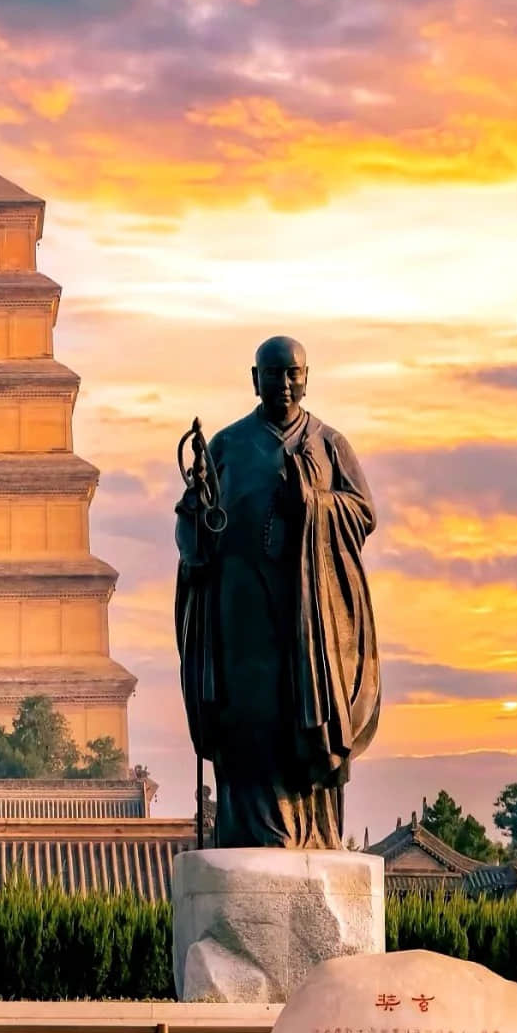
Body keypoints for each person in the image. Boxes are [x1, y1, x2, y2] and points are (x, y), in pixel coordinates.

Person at [175, 336, 381, 848]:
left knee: (306, 719)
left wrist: (312, 504)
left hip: (311, 616)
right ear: (255, 379)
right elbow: (193, 532)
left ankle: (314, 832)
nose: (284, 383)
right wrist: (198, 513)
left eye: (293, 373)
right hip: (242, 613)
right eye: (273, 374)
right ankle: (250, 833)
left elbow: (363, 513)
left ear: (307, 379)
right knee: (248, 720)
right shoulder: (227, 445)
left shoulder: (330, 444)